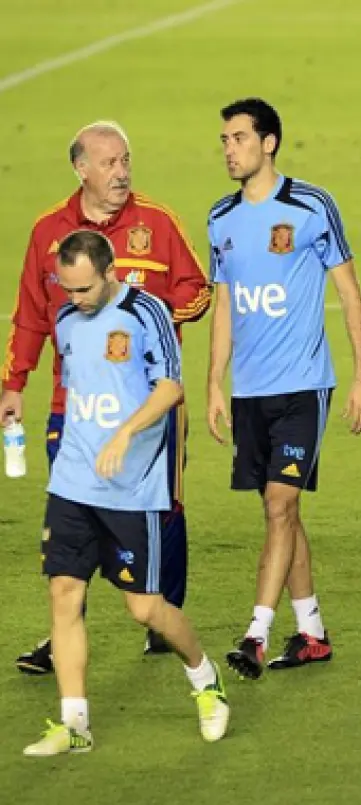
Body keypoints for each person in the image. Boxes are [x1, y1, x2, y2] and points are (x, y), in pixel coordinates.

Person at [2, 120, 210, 675]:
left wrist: (148, 318)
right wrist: (14, 384)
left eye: (126, 160)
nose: (122, 172)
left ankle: (163, 616)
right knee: (74, 513)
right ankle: (64, 630)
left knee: (163, 507)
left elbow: (197, 290)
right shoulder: (48, 231)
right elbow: (30, 315)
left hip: (149, 408)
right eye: (110, 163)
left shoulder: (157, 222)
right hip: (72, 409)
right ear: (81, 169)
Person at [23, 230, 228, 756]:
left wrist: (124, 434)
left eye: (84, 289)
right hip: (74, 481)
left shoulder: (147, 312)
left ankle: (205, 679)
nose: (75, 300)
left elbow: (170, 387)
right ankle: (75, 724)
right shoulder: (66, 320)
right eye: (67, 289)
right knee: (64, 593)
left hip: (131, 488)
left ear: (110, 271)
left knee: (145, 609)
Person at [206, 98, 361, 679]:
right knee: (280, 511)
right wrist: (214, 384)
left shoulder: (310, 206)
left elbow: (349, 292)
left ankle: (255, 633)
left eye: (238, 138)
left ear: (269, 142)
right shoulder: (221, 219)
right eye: (224, 140)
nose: (229, 149)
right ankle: (312, 633)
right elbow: (224, 305)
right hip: (250, 391)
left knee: (281, 504)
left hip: (304, 385)